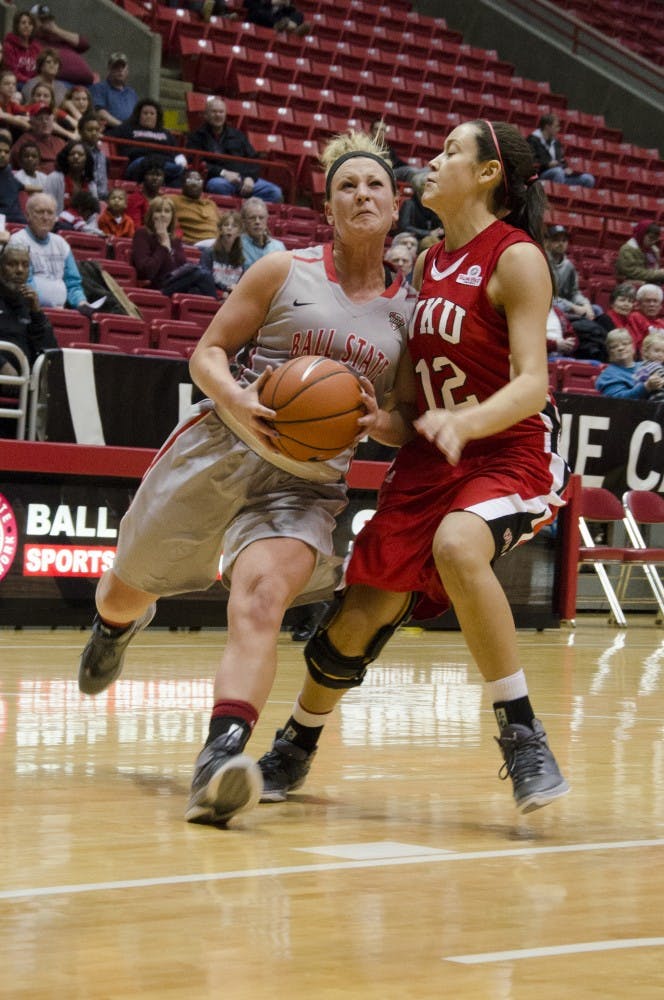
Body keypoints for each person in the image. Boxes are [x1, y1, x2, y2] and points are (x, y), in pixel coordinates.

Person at [76, 129, 416, 828]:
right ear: (327, 208)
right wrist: (237, 397)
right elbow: (207, 355)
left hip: (308, 480)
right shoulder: (281, 270)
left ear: (396, 204)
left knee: (261, 599)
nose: (361, 195)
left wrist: (376, 420)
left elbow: (401, 427)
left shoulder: (406, 317)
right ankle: (118, 622)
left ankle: (220, 759)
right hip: (223, 447)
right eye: (346, 186)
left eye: (374, 185)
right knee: (124, 585)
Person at [258, 119, 571, 817]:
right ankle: (296, 742)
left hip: (509, 451)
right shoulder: (428, 263)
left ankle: (523, 734)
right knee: (351, 624)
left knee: (459, 544)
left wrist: (465, 421)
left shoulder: (516, 258)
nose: (432, 162)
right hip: (429, 461)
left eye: (450, 153)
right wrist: (378, 420)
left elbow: (531, 385)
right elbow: (409, 400)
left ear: (488, 174)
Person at [8, 191, 95, 312]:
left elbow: (73, 283)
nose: (45, 217)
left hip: (62, 311)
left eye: (50, 213)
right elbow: (24, 283)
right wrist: (40, 306)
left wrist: (81, 302)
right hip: (31, 310)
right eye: (40, 212)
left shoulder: (61, 244)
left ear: (55, 218)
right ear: (28, 215)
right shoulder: (18, 242)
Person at [186, 97, 283, 204]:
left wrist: (249, 178)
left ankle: (251, 212)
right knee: (216, 186)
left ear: (225, 115)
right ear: (206, 115)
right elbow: (196, 162)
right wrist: (223, 173)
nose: (218, 115)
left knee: (275, 192)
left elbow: (254, 160)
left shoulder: (238, 135)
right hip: (219, 179)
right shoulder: (197, 136)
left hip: (243, 179)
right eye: (214, 112)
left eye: (221, 112)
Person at [131, 195, 217, 297]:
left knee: (198, 289)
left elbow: (181, 266)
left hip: (176, 283)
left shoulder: (175, 239)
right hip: (156, 286)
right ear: (151, 215)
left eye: (167, 211)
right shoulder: (142, 233)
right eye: (158, 211)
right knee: (202, 275)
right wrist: (163, 246)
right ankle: (220, 309)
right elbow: (146, 272)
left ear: (172, 216)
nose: (163, 215)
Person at [545, 224, 608, 362]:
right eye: (556, 240)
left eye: (564, 240)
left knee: (597, 309)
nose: (561, 244)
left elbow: (574, 292)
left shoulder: (568, 266)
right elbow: (546, 296)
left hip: (564, 305)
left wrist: (585, 305)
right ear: (547, 242)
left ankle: (603, 349)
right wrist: (574, 308)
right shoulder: (542, 262)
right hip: (548, 306)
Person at [0, 243, 57, 381]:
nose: (19, 270)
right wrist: (2, 365)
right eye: (12, 264)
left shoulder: (29, 303)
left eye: (25, 265)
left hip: (26, 383)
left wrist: (37, 313)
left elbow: (50, 351)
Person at [110, 98, 187, 188]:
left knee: (180, 170)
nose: (149, 116)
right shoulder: (127, 128)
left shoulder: (166, 133)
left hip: (163, 163)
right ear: (139, 115)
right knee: (145, 163)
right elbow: (110, 137)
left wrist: (181, 160)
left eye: (152, 113)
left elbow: (176, 152)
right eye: (145, 113)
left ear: (157, 116)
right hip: (139, 161)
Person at [30, 4, 95, 86]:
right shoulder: (33, 41)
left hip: (86, 84)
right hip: (60, 83)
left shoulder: (59, 36)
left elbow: (85, 44)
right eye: (42, 20)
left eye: (48, 20)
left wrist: (56, 30)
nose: (46, 24)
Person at [527, 114, 595, 188]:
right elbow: (530, 161)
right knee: (557, 172)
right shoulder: (532, 140)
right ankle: (558, 195)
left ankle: (567, 195)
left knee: (588, 179)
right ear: (547, 127)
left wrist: (565, 168)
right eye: (556, 126)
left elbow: (561, 160)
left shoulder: (556, 143)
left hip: (560, 175)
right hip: (541, 176)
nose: (558, 129)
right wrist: (547, 164)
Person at [595, 327, 664, 399]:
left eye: (625, 344)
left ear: (632, 346)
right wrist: (646, 387)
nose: (620, 348)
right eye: (614, 346)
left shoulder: (647, 365)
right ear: (609, 352)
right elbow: (617, 401)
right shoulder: (607, 376)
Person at [370, 120, 428, 195]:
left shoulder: (387, 148)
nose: (380, 132)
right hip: (381, 173)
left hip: (393, 172)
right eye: (377, 129)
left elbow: (398, 163)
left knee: (424, 169)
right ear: (371, 131)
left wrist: (407, 167)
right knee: (411, 171)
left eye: (383, 130)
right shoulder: (367, 146)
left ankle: (425, 175)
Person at [43, 138, 97, 213]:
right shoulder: (54, 178)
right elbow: (46, 207)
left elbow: (93, 213)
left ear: (87, 160)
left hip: (84, 224)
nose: (76, 157)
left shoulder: (91, 184)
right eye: (72, 154)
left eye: (80, 154)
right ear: (66, 158)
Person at [200, 209, 245, 295]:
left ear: (239, 232)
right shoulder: (209, 253)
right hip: (212, 296)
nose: (229, 228)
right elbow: (204, 281)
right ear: (220, 229)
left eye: (234, 226)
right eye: (226, 225)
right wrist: (223, 291)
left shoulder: (241, 258)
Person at [170, 169, 220, 245]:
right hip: (197, 243)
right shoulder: (173, 200)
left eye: (198, 181)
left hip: (217, 242)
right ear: (183, 183)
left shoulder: (210, 204)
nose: (195, 184)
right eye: (190, 180)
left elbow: (222, 224)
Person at [10, 104, 65, 173]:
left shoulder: (60, 142)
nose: (45, 122)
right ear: (32, 122)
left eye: (47, 119)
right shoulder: (24, 142)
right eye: (40, 119)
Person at [89, 53, 138, 130]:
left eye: (123, 67)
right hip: (110, 132)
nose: (120, 70)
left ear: (127, 70)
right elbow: (100, 113)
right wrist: (124, 128)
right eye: (116, 66)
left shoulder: (132, 93)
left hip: (130, 134)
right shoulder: (98, 88)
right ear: (109, 69)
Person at [240, 196, 285, 266]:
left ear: (267, 219)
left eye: (261, 218)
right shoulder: (237, 245)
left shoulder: (278, 247)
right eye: (252, 218)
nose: (257, 222)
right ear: (244, 221)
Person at [615, 220, 664, 286]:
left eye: (655, 239)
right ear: (642, 234)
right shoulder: (627, 249)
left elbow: (655, 268)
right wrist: (658, 273)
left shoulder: (653, 250)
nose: (653, 242)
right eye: (651, 238)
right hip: (631, 285)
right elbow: (633, 272)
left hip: (650, 283)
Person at [2, 10, 41, 87]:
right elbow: (12, 71)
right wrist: (30, 82)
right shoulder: (9, 46)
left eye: (30, 24)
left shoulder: (37, 47)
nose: (27, 26)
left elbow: (41, 70)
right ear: (17, 26)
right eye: (23, 23)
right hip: (16, 83)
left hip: (34, 84)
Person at [126, 156, 166, 228]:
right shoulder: (134, 199)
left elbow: (176, 228)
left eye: (158, 175)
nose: (155, 178)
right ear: (143, 176)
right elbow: (135, 227)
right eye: (151, 174)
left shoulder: (166, 200)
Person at [626, 283, 664, 357]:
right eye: (647, 301)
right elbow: (636, 346)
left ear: (660, 306)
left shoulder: (662, 323)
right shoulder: (635, 317)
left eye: (655, 301)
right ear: (639, 304)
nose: (652, 304)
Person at [78, 112, 108, 200]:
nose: (94, 133)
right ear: (80, 131)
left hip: (102, 199)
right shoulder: (77, 152)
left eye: (97, 130)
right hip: (84, 198)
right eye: (90, 130)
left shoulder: (102, 155)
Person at [0, 132, 27, 223]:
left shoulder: (8, 171)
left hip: (19, 220)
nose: (3, 155)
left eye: (6, 152)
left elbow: (22, 186)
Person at [243, 0, 311, 35]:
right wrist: (271, 2)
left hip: (281, 19)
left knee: (298, 15)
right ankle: (291, 29)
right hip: (260, 22)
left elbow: (291, 12)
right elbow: (248, 4)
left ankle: (291, 29)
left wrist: (287, 7)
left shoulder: (288, 9)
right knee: (260, 13)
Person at [0, 69, 30, 139]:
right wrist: (19, 120)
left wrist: (20, 118)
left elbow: (29, 116)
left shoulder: (12, 104)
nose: (11, 86)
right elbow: (2, 116)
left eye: (14, 84)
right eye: (7, 84)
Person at [635, 331, 664, 401]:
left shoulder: (640, 367)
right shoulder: (654, 366)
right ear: (645, 352)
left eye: (663, 352)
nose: (660, 355)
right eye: (657, 351)